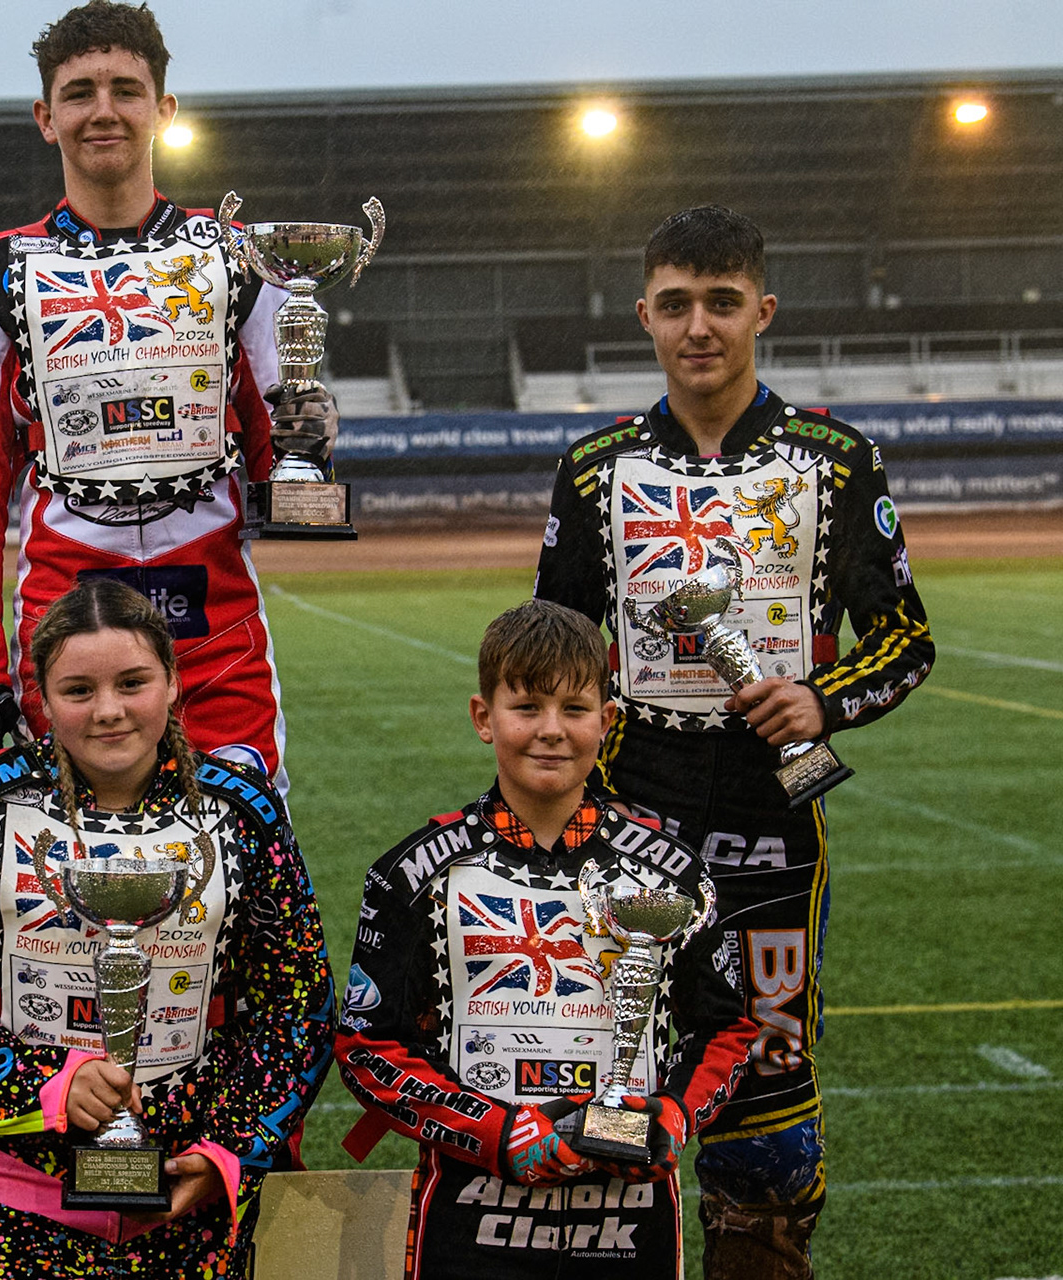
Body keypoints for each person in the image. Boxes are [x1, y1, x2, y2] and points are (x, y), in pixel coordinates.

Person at [533, 205, 935, 1278]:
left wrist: (824, 700)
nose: (698, 325)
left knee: (765, 1102)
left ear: (762, 308)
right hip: (626, 823)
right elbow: (554, 650)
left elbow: (907, 641)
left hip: (773, 830)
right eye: (675, 304)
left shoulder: (838, 460)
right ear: (644, 317)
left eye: (720, 302)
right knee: (609, 1072)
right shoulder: (592, 468)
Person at [0, 0, 335, 785]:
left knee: (243, 871)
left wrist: (306, 450)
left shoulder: (251, 262)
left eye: (124, 89)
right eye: (79, 93)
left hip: (215, 638)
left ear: (164, 110)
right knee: (70, 887)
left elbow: (285, 463)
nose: (102, 111)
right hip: (64, 644)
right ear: (46, 116)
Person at [0, 576, 335, 1276]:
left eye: (133, 682)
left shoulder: (244, 813)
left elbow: (300, 1007)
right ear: (44, 697)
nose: (109, 711)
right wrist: (44, 1085)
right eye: (79, 691)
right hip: (11, 1199)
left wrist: (230, 1147)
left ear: (173, 682)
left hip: (189, 1200)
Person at [337, 599, 756, 1278]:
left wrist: (671, 1118)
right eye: (526, 706)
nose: (551, 731)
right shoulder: (412, 872)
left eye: (575, 709)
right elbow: (366, 1048)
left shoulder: (674, 875)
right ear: (484, 717)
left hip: (631, 1220)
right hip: (471, 1220)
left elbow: (728, 1031)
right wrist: (495, 1133)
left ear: (608, 722)